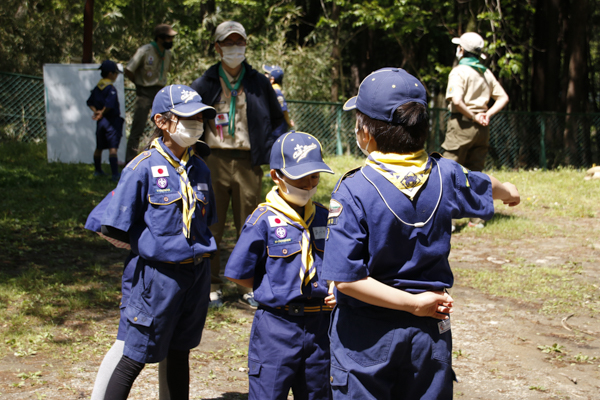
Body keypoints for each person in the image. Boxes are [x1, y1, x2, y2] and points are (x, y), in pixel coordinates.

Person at [322, 67, 520, 400]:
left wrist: (413, 304)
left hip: (366, 338)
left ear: (365, 133)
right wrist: (510, 192)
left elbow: (347, 280)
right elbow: (489, 186)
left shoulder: (353, 190)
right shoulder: (447, 174)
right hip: (429, 334)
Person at [100, 84, 217, 400]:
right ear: (161, 121)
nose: (196, 124)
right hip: (157, 279)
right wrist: (147, 257)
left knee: (180, 353)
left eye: (200, 118)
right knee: (134, 357)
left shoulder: (201, 168)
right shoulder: (143, 167)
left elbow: (207, 221)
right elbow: (113, 226)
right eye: (187, 117)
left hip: (195, 275)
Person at [224, 131, 336, 400]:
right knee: (268, 393)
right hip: (276, 327)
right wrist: (276, 290)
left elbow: (336, 263)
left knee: (318, 393)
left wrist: (332, 288)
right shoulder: (262, 220)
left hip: (320, 327)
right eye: (300, 178)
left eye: (315, 177)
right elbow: (241, 274)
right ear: (276, 176)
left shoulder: (324, 217)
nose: (309, 184)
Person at [191, 20, 284, 308]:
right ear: (217, 47)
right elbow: (191, 119)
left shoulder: (258, 83)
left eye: (239, 42)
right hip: (212, 160)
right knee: (211, 224)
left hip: (248, 162)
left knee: (250, 225)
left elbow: (277, 120)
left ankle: (249, 285)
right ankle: (211, 285)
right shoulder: (205, 83)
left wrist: (276, 157)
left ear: (245, 45)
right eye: (228, 43)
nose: (234, 48)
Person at [442, 32, 509, 228]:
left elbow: (456, 100)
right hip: (482, 129)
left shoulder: (459, 71)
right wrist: (486, 115)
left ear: (461, 50)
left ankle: (449, 221)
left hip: (462, 125)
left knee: (449, 173)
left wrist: (472, 116)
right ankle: (477, 219)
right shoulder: (485, 72)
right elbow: (503, 97)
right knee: (475, 173)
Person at [125, 24, 177, 163]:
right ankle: (130, 160)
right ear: (159, 38)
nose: (171, 41)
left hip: (160, 92)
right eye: (168, 38)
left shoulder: (168, 54)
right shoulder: (145, 50)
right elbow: (129, 69)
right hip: (144, 91)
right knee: (138, 127)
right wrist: (138, 83)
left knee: (164, 126)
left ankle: (160, 159)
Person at [87, 60, 124, 182]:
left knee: (99, 147)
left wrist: (97, 112)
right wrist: (102, 112)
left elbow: (90, 102)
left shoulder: (98, 87)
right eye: (115, 73)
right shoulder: (110, 88)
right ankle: (115, 174)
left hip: (101, 122)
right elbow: (109, 105)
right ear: (110, 74)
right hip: (111, 122)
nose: (116, 75)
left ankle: (97, 170)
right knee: (113, 148)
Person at [263, 64, 294, 139]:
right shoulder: (269, 91)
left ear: (272, 79)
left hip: (277, 131)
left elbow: (284, 110)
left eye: (266, 74)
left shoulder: (276, 92)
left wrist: (288, 123)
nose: (264, 75)